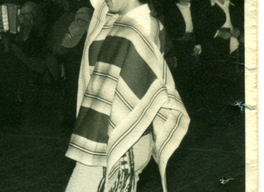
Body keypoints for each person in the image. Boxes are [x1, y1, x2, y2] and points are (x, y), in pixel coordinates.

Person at [64, 0, 191, 190]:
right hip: (108, 136)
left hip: (121, 142)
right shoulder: (114, 19)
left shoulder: (141, 24)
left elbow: (133, 97)